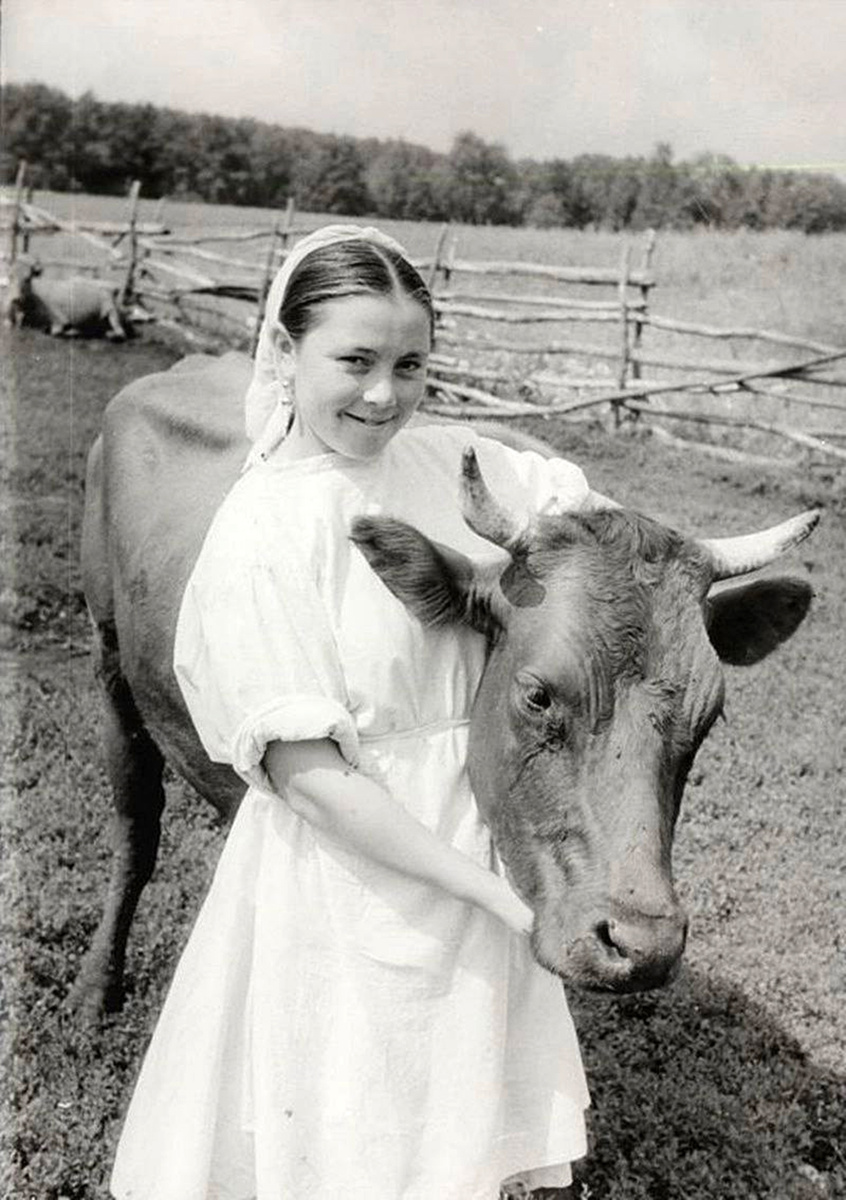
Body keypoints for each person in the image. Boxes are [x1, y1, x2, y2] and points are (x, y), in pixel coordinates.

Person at [110, 225, 597, 1200]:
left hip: (475, 841)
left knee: (453, 1136)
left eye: (410, 364)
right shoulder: (263, 533)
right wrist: (499, 895)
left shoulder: (447, 462)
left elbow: (583, 513)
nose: (385, 395)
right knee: (350, 1138)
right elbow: (315, 784)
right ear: (285, 355)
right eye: (356, 361)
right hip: (354, 881)